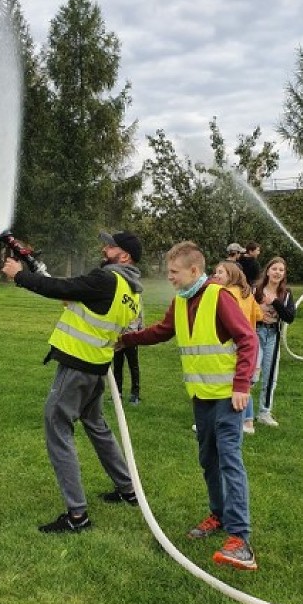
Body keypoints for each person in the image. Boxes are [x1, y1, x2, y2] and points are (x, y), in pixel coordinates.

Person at [119, 241, 258, 570]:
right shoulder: (181, 302)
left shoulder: (218, 297)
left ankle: (241, 540)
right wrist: (125, 339)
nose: (169, 277)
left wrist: (241, 385)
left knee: (229, 461)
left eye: (173, 272)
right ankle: (218, 515)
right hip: (201, 398)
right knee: (208, 459)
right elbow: (162, 331)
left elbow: (248, 339)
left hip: (227, 397)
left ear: (195, 271)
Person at [2, 230, 143, 534]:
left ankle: (77, 516)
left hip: (77, 367)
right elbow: (82, 301)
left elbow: (59, 288)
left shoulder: (107, 279)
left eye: (111, 246)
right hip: (95, 368)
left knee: (57, 425)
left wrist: (19, 275)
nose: (104, 248)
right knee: (97, 426)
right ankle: (128, 489)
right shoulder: (132, 291)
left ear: (125, 256)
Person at [213, 261, 263, 434]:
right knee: (245, 381)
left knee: (235, 383)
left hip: (234, 344)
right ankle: (248, 422)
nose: (216, 275)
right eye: (215, 272)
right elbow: (259, 314)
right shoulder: (247, 294)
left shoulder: (226, 294)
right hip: (251, 343)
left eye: (221, 272)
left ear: (231, 275)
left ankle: (238, 421)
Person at [253, 257, 296, 427]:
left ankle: (264, 412)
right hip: (256, 333)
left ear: (284, 274)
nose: (277, 272)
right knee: (252, 374)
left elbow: (289, 317)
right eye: (274, 269)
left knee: (270, 376)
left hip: (273, 335)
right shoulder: (256, 290)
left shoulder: (286, 294)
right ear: (268, 271)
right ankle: (241, 412)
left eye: (281, 270)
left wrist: (275, 302)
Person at [112, 302, 143, 404]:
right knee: (117, 366)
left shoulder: (136, 297)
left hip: (131, 336)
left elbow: (140, 314)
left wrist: (140, 332)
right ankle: (117, 394)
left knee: (133, 366)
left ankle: (135, 394)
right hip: (118, 337)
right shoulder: (118, 294)